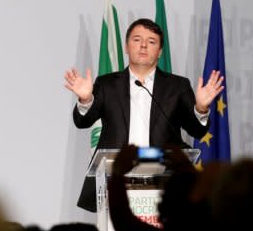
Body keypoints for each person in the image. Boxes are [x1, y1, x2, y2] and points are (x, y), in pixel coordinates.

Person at [64, 18, 224, 212]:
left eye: (151, 42)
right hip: (115, 182)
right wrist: (85, 100)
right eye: (137, 39)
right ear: (126, 46)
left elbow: (197, 130)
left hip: (164, 184)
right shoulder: (106, 84)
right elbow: (83, 121)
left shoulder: (177, 86)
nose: (143, 46)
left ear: (160, 51)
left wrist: (200, 108)